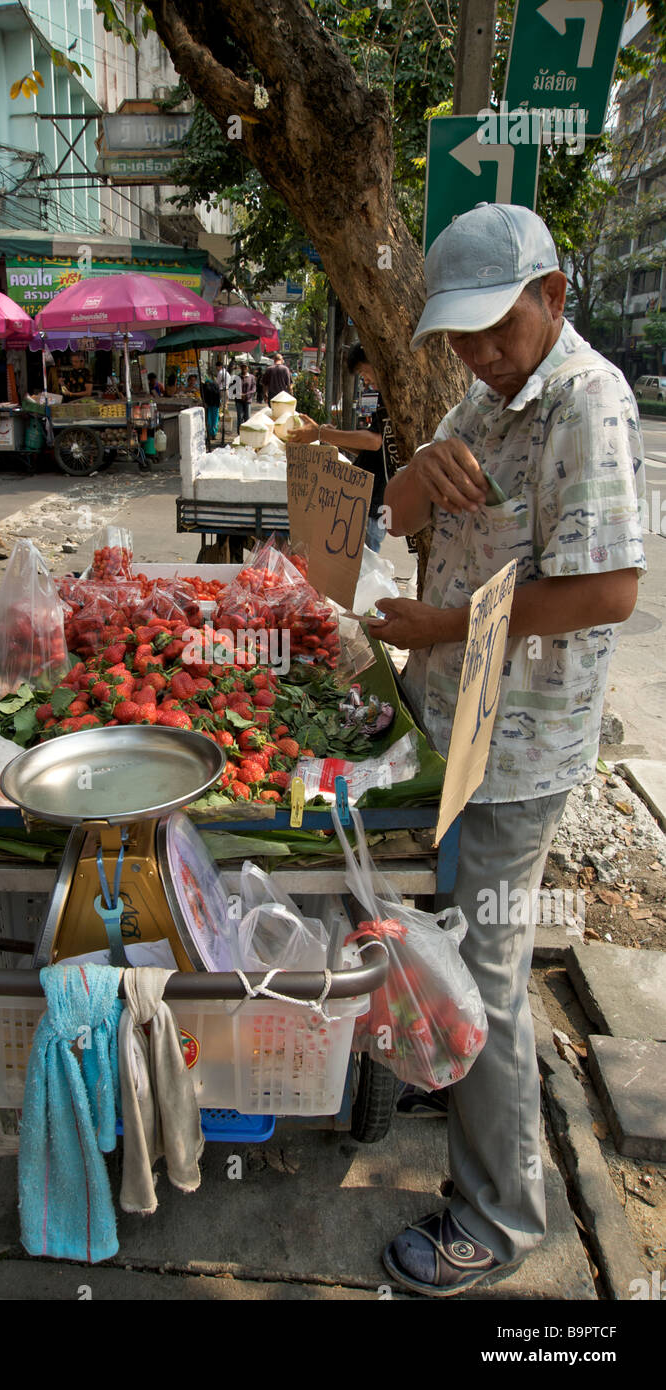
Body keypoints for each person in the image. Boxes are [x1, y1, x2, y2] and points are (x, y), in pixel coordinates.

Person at [367, 203, 645, 1297]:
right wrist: (420, 470)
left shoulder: (588, 402)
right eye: (462, 334)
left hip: (517, 744)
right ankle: (460, 1084)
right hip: (455, 722)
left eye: (497, 327)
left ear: (552, 296)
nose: (480, 351)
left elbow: (608, 590)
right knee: (442, 935)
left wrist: (448, 628)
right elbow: (399, 517)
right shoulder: (485, 397)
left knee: (484, 962)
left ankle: (497, 1214)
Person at [291, 343, 399, 551]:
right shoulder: (384, 396)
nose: (365, 380)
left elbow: (374, 441)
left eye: (363, 372)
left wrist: (320, 433)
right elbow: (372, 449)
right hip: (371, 501)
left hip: (376, 503)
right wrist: (330, 437)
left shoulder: (390, 396)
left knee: (363, 565)